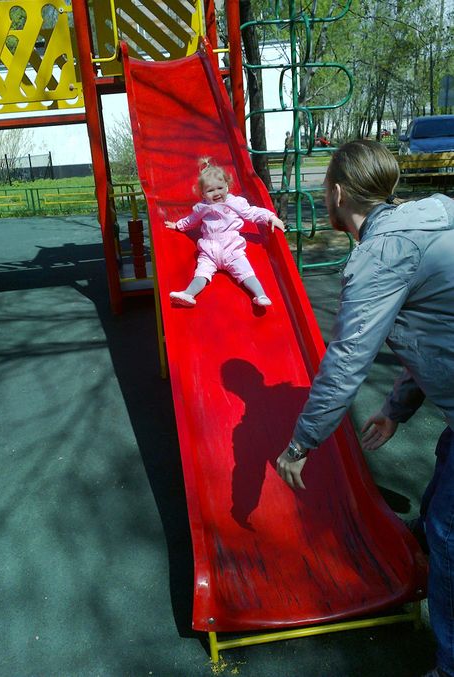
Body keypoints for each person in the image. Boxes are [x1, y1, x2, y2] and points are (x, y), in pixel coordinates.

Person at [275, 139, 454, 677]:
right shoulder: (434, 217)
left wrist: (300, 444)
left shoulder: (381, 256)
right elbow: (437, 333)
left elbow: (347, 361)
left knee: (448, 532)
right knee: (445, 469)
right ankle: (418, 540)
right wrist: (396, 408)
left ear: (337, 193)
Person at [165, 157, 285, 307]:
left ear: (227, 187)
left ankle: (260, 295)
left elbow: (252, 212)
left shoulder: (235, 203)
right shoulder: (202, 207)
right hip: (209, 250)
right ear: (203, 194)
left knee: (246, 272)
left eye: (220, 188)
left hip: (232, 249)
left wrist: (270, 217)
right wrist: (178, 225)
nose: (216, 193)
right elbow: (191, 220)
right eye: (210, 190)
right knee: (201, 273)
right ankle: (188, 295)